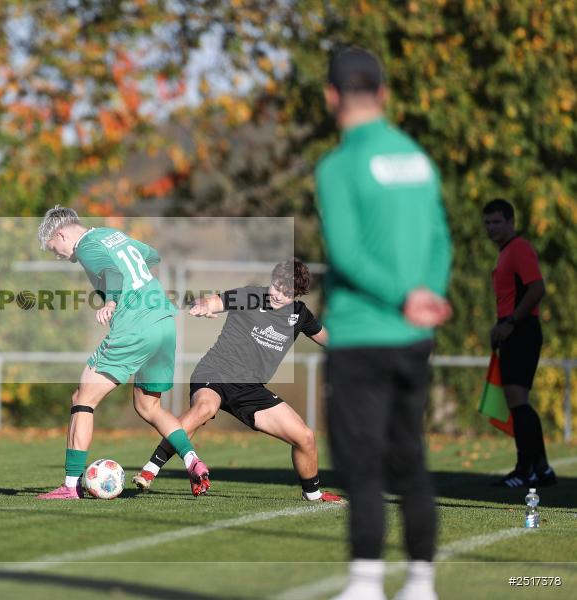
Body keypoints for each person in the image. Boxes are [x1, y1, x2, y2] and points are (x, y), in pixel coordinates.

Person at [316, 48, 453, 600]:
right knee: (410, 457)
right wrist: (428, 296)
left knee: (362, 464)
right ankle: (421, 583)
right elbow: (441, 239)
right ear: (384, 94)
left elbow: (346, 252)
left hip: (359, 333)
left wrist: (402, 296)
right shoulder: (417, 157)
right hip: (413, 338)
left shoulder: (337, 165)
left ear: (331, 96)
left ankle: (366, 584)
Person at [132, 258, 343, 503]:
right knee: (204, 408)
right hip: (215, 372)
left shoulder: (300, 314)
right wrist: (204, 306)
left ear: (297, 294)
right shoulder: (250, 296)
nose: (278, 294)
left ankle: (313, 493)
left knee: (305, 437)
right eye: (277, 286)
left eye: (287, 292)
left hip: (250, 388)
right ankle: (150, 470)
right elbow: (215, 301)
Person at [36, 206, 209, 499]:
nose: (58, 255)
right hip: (164, 322)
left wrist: (112, 301)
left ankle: (70, 485)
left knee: (82, 399)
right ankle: (193, 460)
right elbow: (151, 255)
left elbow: (111, 272)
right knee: (148, 407)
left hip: (136, 326)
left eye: (55, 248)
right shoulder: (110, 235)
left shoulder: (88, 246)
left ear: (61, 234)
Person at [483, 198, 555, 488]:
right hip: (512, 329)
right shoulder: (505, 253)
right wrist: (500, 326)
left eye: (497, 222)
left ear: (511, 222)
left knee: (517, 400)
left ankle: (527, 470)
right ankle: (541, 468)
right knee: (518, 401)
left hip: (521, 330)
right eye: (487, 223)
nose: (491, 228)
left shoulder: (519, 248)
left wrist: (510, 322)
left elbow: (537, 288)